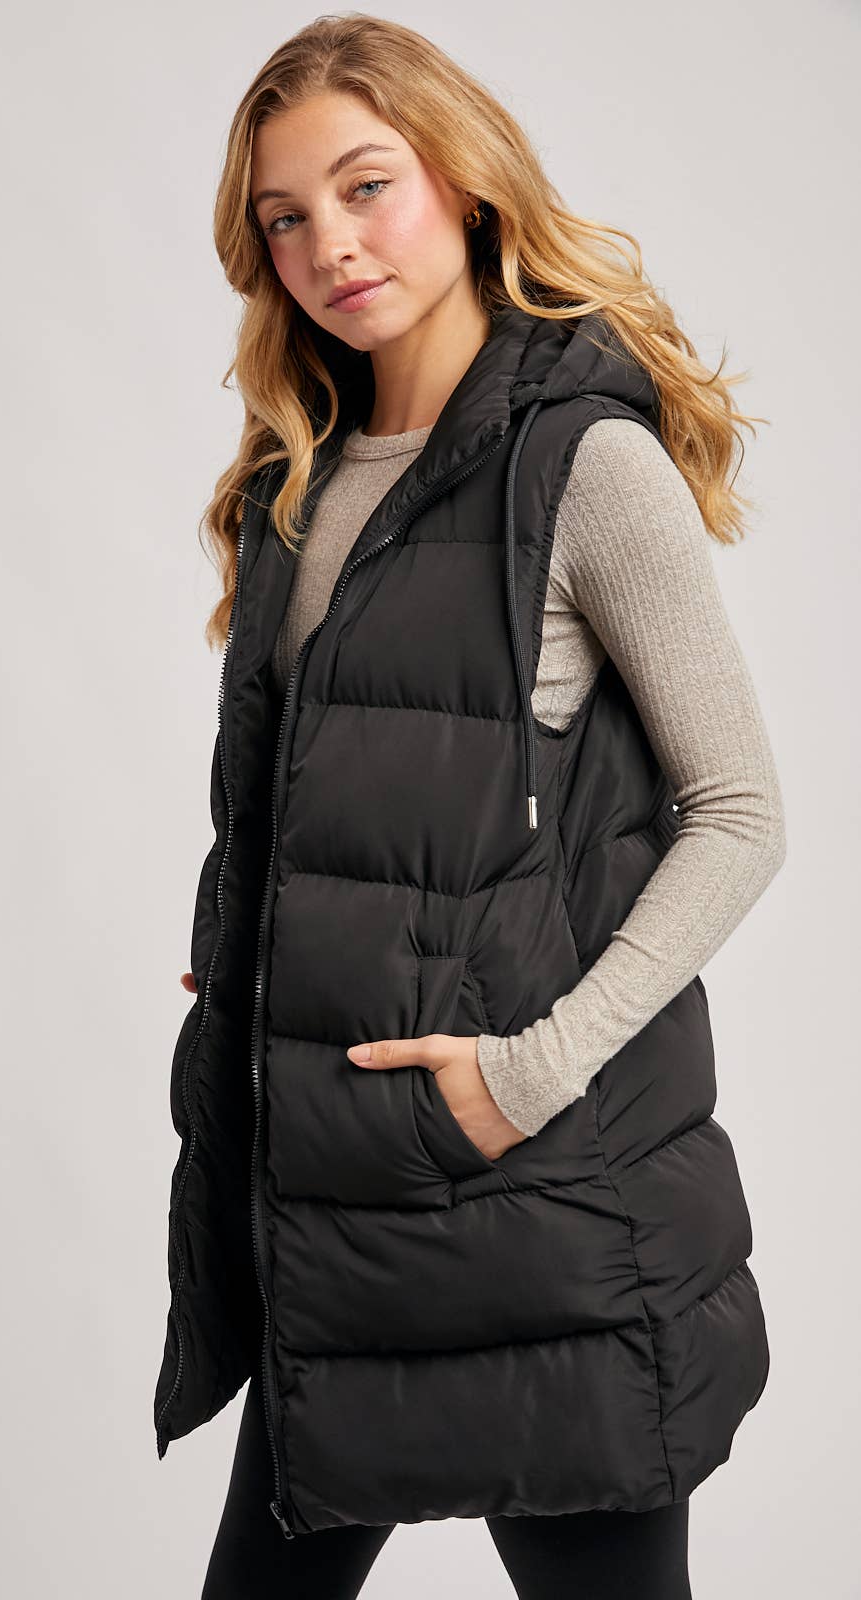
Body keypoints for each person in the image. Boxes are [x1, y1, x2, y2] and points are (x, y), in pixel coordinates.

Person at [154, 17, 786, 1597]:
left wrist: (530, 1074)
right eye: (286, 217)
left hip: (539, 1222)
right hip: (336, 1209)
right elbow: (344, 792)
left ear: (467, 180)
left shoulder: (584, 464)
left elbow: (740, 813)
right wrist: (257, 947)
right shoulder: (295, 479)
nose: (330, 243)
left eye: (367, 185)